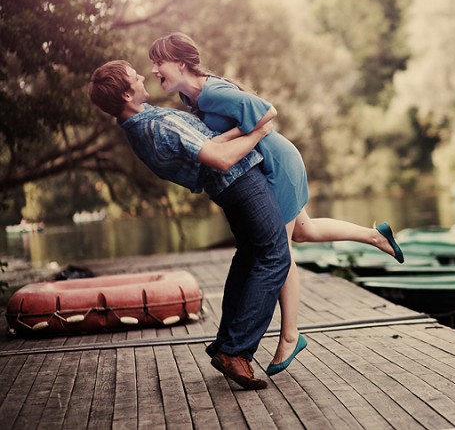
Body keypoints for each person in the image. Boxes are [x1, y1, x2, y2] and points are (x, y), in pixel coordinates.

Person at [148, 32, 404, 376]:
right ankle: (374, 236)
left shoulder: (212, 92)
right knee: (304, 230)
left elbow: (268, 112)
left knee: (279, 250)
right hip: (270, 162)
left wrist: (223, 139)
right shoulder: (190, 95)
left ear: (180, 63)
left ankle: (290, 336)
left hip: (276, 164)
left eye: (159, 62)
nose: (154, 70)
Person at [88, 60, 291, 390]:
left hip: (228, 186)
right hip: (240, 181)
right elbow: (221, 158)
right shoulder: (157, 124)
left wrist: (244, 129)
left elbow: (207, 142)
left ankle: (227, 344)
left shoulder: (136, 123)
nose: (142, 77)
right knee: (275, 257)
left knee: (250, 256)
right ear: (126, 94)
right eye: (135, 77)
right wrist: (259, 131)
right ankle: (236, 351)